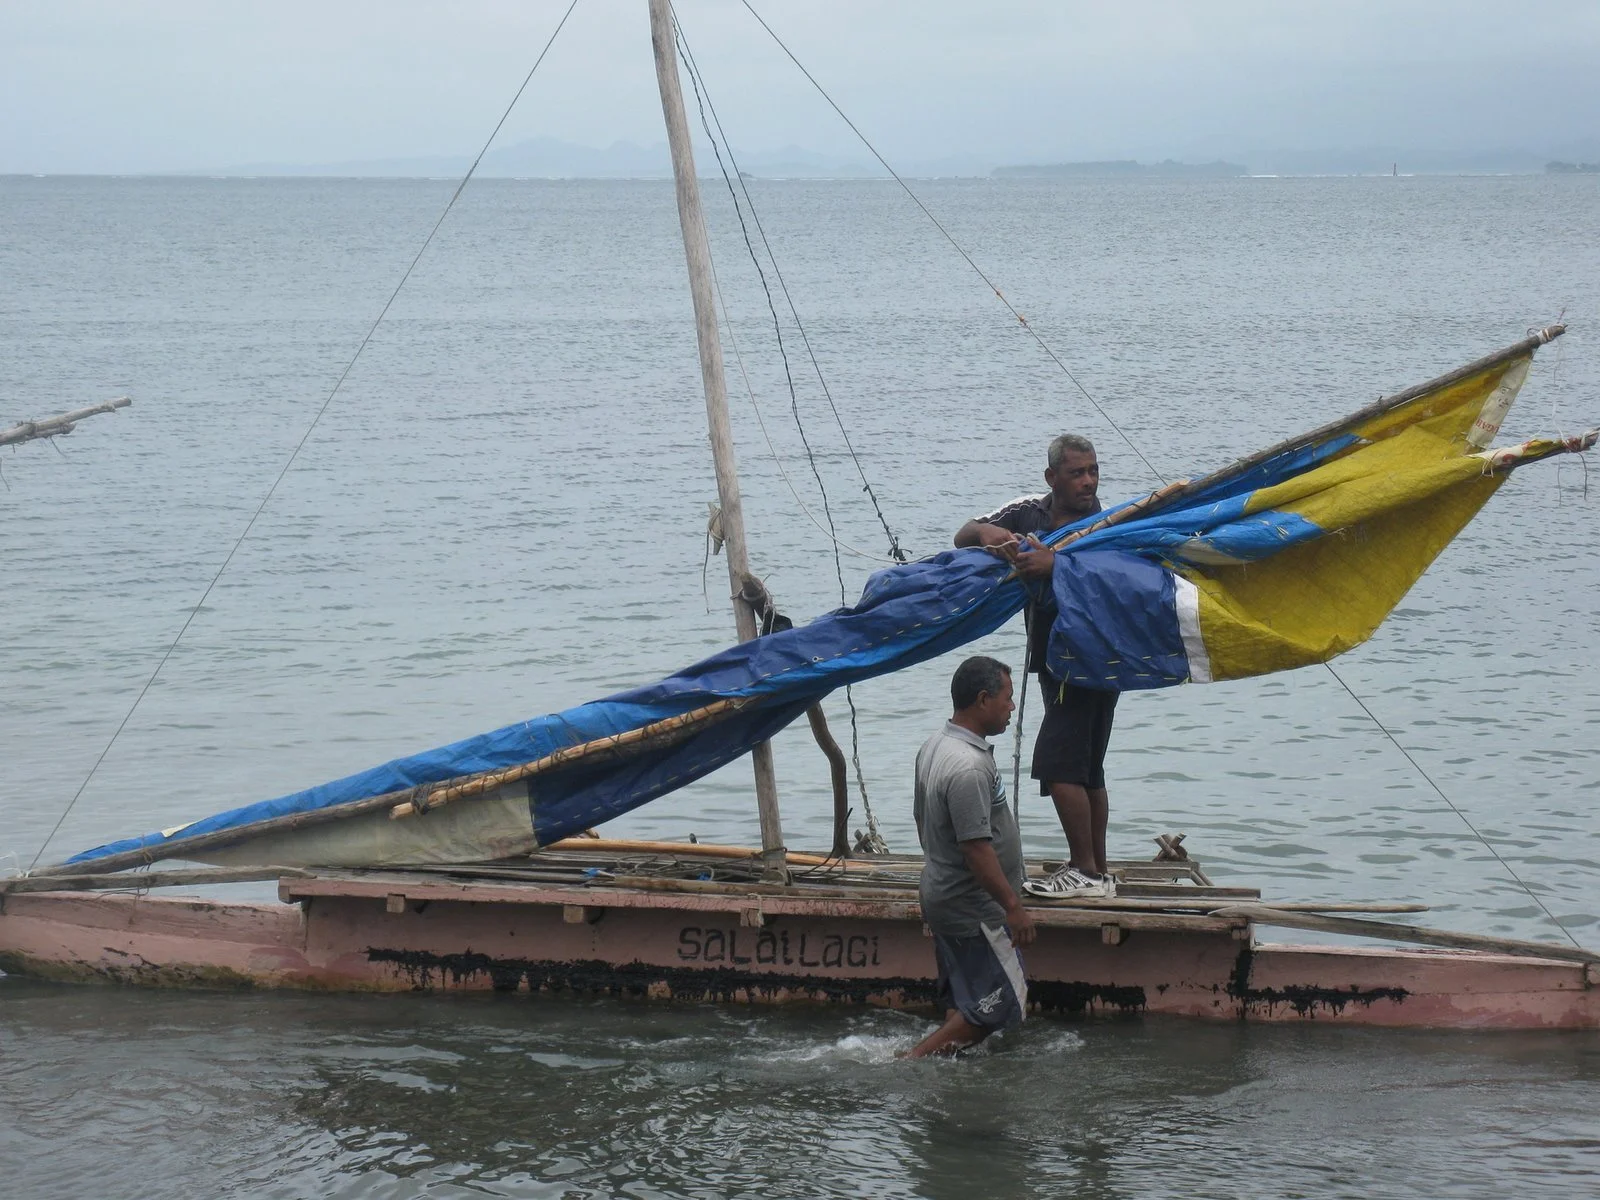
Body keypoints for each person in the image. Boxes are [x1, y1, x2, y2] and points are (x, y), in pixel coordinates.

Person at [954, 434, 1118, 899]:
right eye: (1076, 473)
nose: (1088, 481)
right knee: (1088, 767)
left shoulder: (1109, 522)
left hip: (1089, 656)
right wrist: (989, 535)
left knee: (1060, 764)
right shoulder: (1029, 512)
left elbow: (1116, 575)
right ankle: (1097, 872)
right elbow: (964, 533)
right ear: (1052, 478)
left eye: (1093, 471)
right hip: (1055, 658)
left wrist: (1057, 565)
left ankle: (1085, 870)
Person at [906, 655, 1036, 1059]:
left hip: (944, 891)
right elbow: (976, 848)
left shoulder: (935, 745)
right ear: (983, 700)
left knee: (963, 998)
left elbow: (921, 819)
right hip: (973, 906)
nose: (1012, 708)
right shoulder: (967, 768)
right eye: (1007, 699)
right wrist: (1012, 907)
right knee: (1002, 1004)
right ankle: (910, 1064)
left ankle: (947, 1069)